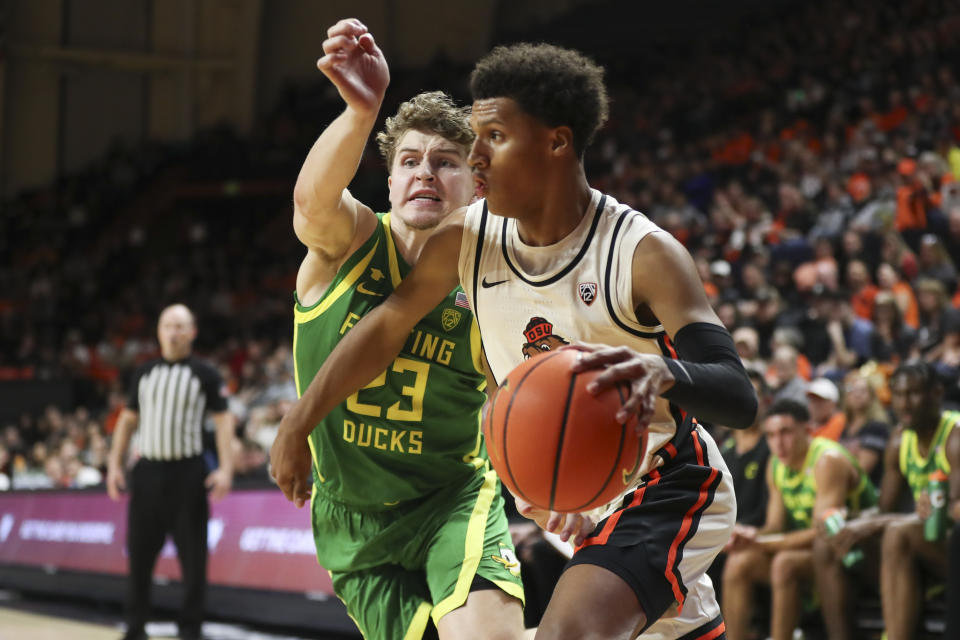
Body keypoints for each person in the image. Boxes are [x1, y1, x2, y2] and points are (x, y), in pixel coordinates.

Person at [271, 38, 758, 639]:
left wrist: (664, 374)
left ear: (556, 141)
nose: (475, 157)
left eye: (493, 138)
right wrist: (299, 422)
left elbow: (739, 394)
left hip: (669, 480)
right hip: (583, 490)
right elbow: (384, 330)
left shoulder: (643, 253)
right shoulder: (465, 241)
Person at [270, 20, 524, 640]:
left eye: (446, 163)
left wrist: (543, 490)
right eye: (410, 161)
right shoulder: (349, 242)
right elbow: (309, 206)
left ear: (477, 185)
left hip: (452, 499)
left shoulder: (494, 280)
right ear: (388, 183)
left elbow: (512, 401)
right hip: (353, 517)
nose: (426, 174)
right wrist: (361, 112)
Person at [106, 304, 235, 640]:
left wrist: (225, 469)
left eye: (180, 326)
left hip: (188, 474)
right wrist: (113, 465)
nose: (173, 332)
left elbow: (224, 423)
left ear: (192, 332)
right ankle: (135, 628)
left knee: (194, 561)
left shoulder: (205, 373)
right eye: (167, 325)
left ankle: (190, 629)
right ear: (159, 332)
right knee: (139, 558)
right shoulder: (144, 373)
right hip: (147, 473)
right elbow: (127, 421)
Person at [813, 361, 960, 640]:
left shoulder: (954, 436)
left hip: (951, 550)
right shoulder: (898, 440)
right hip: (919, 543)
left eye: (914, 394)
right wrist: (848, 519)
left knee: (896, 533)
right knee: (829, 541)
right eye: (899, 395)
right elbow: (884, 510)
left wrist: (872, 524)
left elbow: (954, 514)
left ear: (937, 392)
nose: (904, 404)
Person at [721, 399, 877, 640]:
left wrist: (762, 544)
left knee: (785, 563)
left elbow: (823, 533)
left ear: (807, 430)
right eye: (771, 435)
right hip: (811, 551)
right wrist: (749, 534)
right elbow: (775, 526)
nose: (778, 443)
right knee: (738, 562)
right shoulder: (776, 465)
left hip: (854, 553)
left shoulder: (827, 461)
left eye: (785, 433)